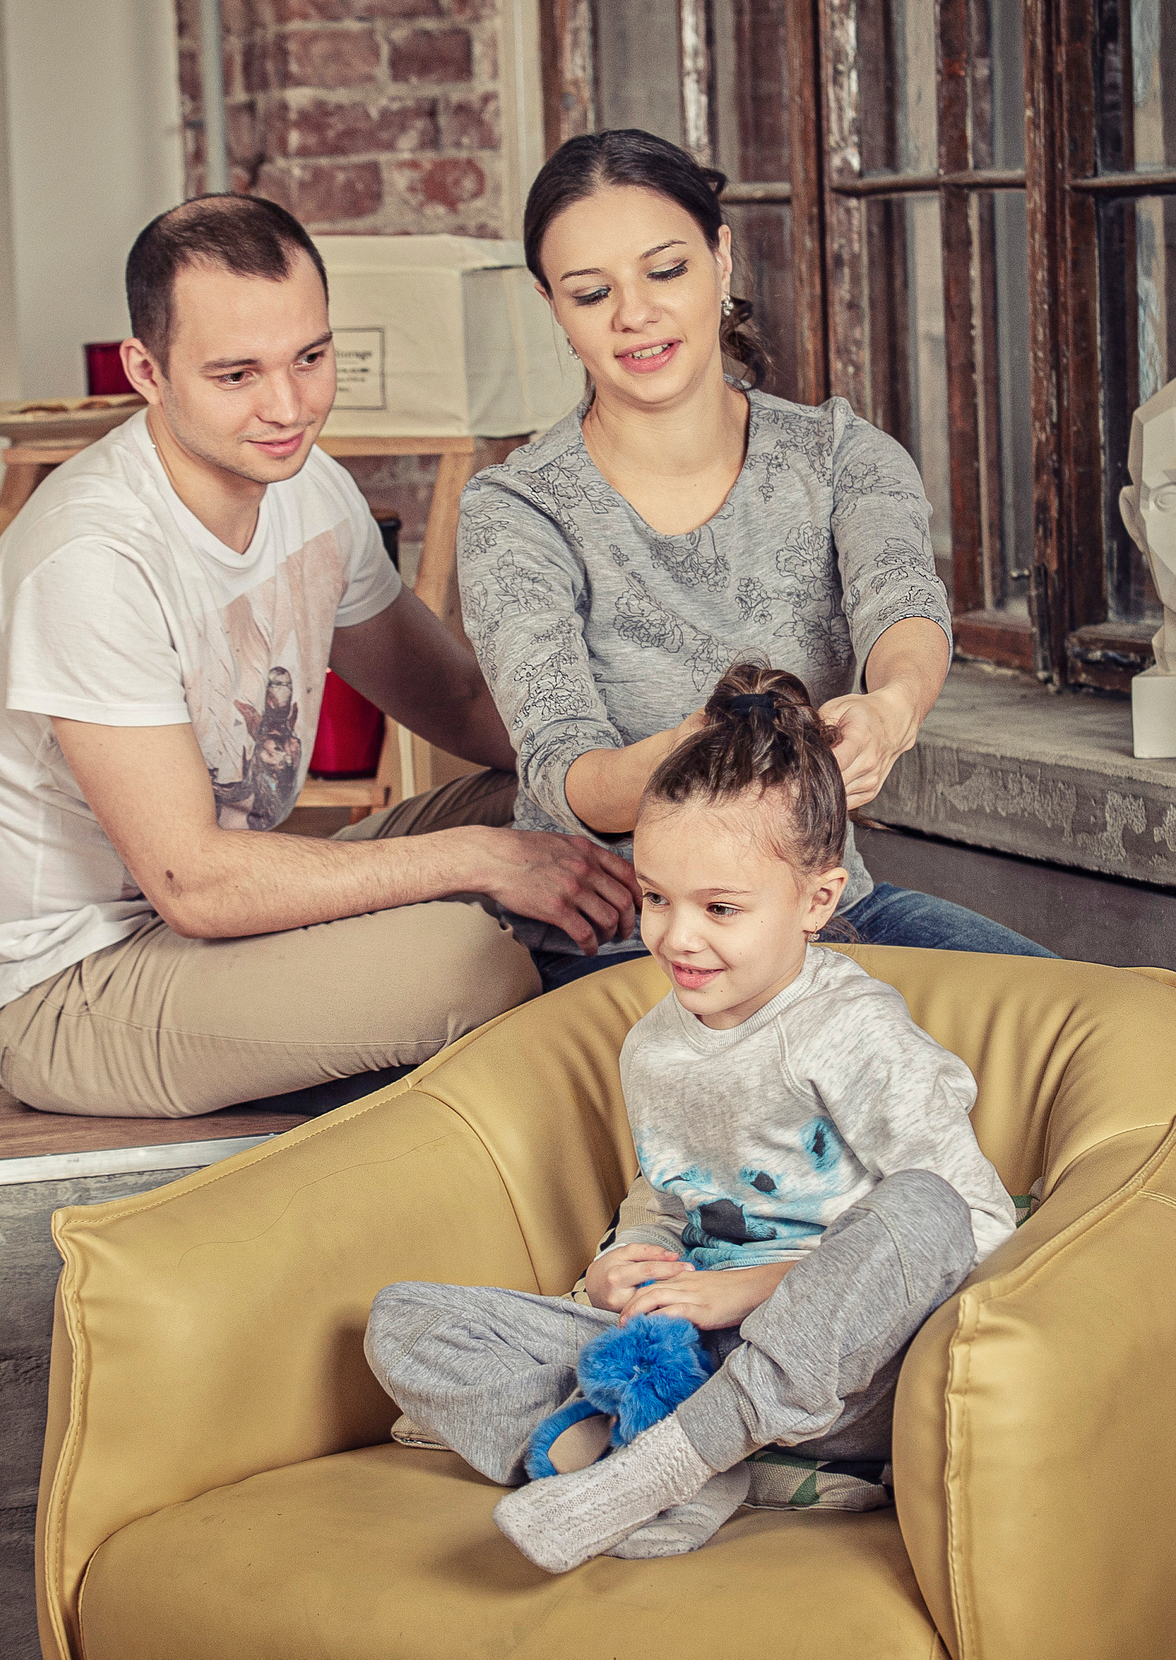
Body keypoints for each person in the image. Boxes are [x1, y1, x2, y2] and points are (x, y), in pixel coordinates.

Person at [0, 194, 637, 1119]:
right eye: (237, 374)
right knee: (463, 960)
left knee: (566, 802)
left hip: (239, 921)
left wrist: (654, 775)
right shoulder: (90, 559)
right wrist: (485, 861)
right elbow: (194, 882)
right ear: (146, 371)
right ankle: (555, 1056)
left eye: (310, 358)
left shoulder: (312, 488)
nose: (288, 407)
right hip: (79, 988)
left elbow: (465, 700)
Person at [364, 665, 1015, 1572]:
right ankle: (720, 1462)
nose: (677, 937)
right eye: (656, 898)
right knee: (405, 1324)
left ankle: (653, 1468)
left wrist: (754, 1291)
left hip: (841, 1370)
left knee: (924, 1207)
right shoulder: (651, 1044)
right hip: (686, 1351)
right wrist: (622, 1264)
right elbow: (668, 1190)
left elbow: (974, 1222)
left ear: (817, 902)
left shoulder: (851, 1030)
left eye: (720, 908)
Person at [456, 128, 1054, 986]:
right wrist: (707, 752)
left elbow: (902, 605)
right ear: (554, 304)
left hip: (824, 917)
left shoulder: (842, 455)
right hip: (631, 939)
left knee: (1089, 1027)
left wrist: (890, 709)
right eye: (592, 293)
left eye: (666, 272)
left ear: (721, 258)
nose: (635, 315)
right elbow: (568, 771)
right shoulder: (517, 510)